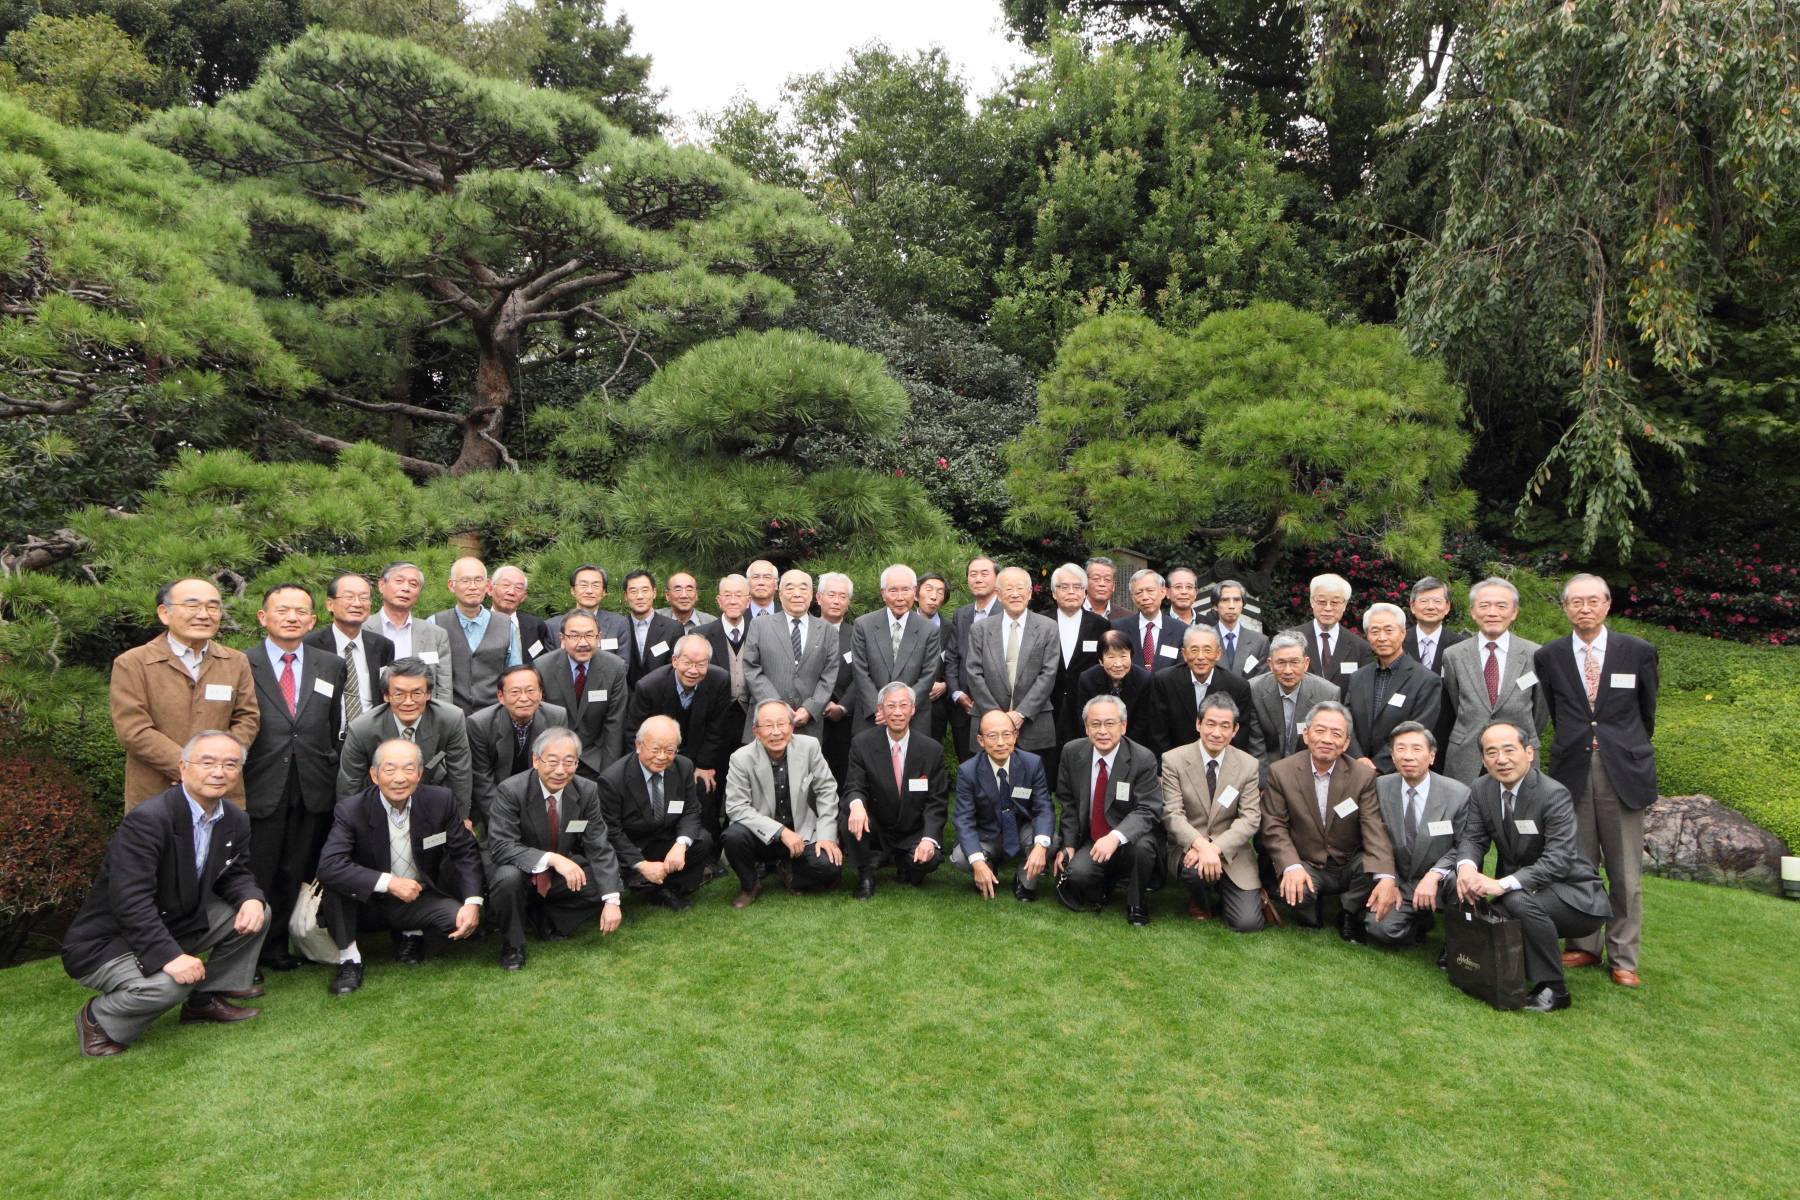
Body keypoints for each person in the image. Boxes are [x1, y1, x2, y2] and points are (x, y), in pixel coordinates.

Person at [64, 731, 268, 1056]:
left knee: (257, 912)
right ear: (183, 767)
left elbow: (235, 874)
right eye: (208, 763)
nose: (219, 772)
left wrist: (251, 898)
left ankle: (204, 1000)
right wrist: (169, 957)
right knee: (171, 985)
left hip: (176, 921)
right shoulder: (148, 820)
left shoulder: (235, 818)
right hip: (109, 941)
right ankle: (98, 1018)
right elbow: (130, 901)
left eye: (230, 764)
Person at [1532, 573, 1659, 988]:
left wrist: (1619, 745)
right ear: (1565, 607)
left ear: (1607, 605)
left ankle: (1624, 957)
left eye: (1593, 601)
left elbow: (1646, 713)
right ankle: (1584, 944)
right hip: (1572, 769)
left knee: (1625, 873)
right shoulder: (1550, 655)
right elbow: (1556, 710)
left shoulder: (1637, 651)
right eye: (1576, 602)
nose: (1584, 608)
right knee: (1578, 864)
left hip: (1622, 769)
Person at [1454, 721, 1611, 1011]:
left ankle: (1555, 989)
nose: (1501, 759)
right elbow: (1472, 838)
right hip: (1526, 890)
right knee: (1479, 896)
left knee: (1515, 900)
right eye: (1492, 752)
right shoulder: (1481, 788)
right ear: (1483, 759)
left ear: (1529, 752)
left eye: (1509, 750)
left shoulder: (1553, 794)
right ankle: (1476, 965)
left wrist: (1501, 884)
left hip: (1575, 896)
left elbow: (1558, 860)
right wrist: (1466, 868)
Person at [315, 738, 486, 995]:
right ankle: (350, 960)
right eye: (390, 769)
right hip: (367, 903)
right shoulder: (352, 810)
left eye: (408, 769)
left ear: (420, 773)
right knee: (338, 883)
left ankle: (411, 933)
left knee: (457, 921)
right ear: (374, 775)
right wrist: (389, 883)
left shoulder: (440, 800)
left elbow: (465, 852)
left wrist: (473, 902)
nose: (399, 778)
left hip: (418, 898)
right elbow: (328, 866)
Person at [243, 584, 345, 972]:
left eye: (301, 611)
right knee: (258, 872)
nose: (292, 617)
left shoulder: (330, 664)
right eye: (282, 610)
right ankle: (245, 955)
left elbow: (331, 725)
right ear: (263, 617)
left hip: (312, 782)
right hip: (261, 781)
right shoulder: (242, 663)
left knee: (295, 871)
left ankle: (276, 948)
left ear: (313, 620)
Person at [110, 577, 260, 811]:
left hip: (221, 790)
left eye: (212, 607)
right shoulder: (133, 663)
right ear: (164, 613)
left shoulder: (235, 661)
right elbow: (132, 729)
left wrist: (218, 765)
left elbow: (247, 718)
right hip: (156, 792)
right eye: (192, 606)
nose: (204, 614)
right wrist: (188, 768)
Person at [1259, 700, 1398, 941]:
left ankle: (1348, 911)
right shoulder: (1281, 772)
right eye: (1320, 730)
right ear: (1306, 735)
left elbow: (1373, 826)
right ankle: (1311, 902)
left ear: (1346, 743)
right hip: (1306, 861)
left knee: (1372, 868)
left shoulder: (1362, 776)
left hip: (1348, 861)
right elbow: (1274, 826)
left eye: (1336, 734)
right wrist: (1291, 866)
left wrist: (1387, 876)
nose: (1327, 739)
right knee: (1298, 892)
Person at [487, 728, 623, 966]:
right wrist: (553, 859)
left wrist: (612, 901)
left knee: (604, 881)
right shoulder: (511, 790)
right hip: (518, 867)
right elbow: (501, 845)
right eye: (552, 762)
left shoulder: (587, 790)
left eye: (569, 762)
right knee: (507, 879)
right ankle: (513, 945)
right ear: (535, 760)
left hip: (555, 874)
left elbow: (598, 845)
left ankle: (545, 916)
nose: (560, 770)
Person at [1054, 695, 1164, 924]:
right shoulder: (1072, 752)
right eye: (1095, 724)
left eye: (1110, 723)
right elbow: (1068, 803)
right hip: (1092, 838)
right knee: (1077, 875)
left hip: (1132, 838)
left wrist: (1115, 837)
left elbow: (1148, 809)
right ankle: (1107, 883)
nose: (1102, 731)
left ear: (1123, 726)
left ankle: (1136, 903)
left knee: (1143, 848)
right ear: (1086, 727)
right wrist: (1069, 844)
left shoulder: (1142, 758)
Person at [720, 701, 844, 907]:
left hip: (801, 833)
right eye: (768, 725)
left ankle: (790, 872)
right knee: (733, 836)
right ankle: (750, 885)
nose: (776, 732)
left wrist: (826, 836)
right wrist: (781, 832)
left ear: (792, 727)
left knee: (830, 866)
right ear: (756, 732)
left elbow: (827, 791)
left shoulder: (809, 746)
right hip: (761, 835)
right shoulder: (740, 758)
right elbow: (736, 808)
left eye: (781, 724)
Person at [1160, 694, 1266, 931]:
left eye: (1225, 726)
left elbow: (1250, 818)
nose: (1217, 733)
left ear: (1235, 730)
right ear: (1198, 724)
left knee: (1247, 923)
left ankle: (1226, 892)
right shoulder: (1173, 760)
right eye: (1210, 724)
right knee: (1194, 873)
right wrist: (1200, 845)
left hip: (1231, 850)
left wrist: (1214, 849)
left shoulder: (1248, 765)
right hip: (1190, 849)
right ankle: (1202, 899)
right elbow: (1172, 814)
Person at [1364, 722, 1470, 951]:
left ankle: (1456, 945)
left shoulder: (1458, 794)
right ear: (1392, 755)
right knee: (1379, 929)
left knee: (1460, 878)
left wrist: (1435, 874)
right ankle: (1419, 921)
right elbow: (1374, 837)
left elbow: (1466, 844)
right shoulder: (1379, 787)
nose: (1408, 756)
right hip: (1401, 881)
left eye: (1417, 749)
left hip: (1441, 880)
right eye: (1400, 749)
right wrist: (1389, 879)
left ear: (1432, 756)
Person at [626, 635, 734, 855]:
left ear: (708, 664)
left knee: (704, 787)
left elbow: (717, 728)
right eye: (687, 663)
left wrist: (703, 765)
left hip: (698, 755)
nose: (693, 670)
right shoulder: (649, 687)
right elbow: (634, 734)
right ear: (674, 661)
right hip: (658, 755)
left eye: (701, 664)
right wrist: (656, 762)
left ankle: (708, 853)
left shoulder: (720, 680)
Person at [841, 683, 949, 898]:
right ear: (880, 710)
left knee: (930, 860)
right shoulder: (862, 744)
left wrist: (929, 838)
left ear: (913, 709)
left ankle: (905, 862)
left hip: (913, 828)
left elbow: (937, 802)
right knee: (849, 814)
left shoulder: (931, 750)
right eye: (891, 706)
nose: (897, 712)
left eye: (903, 705)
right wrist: (857, 805)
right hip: (877, 826)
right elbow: (854, 785)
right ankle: (865, 874)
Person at [336, 657, 473, 822]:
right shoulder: (362, 729)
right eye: (399, 694)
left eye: (417, 693)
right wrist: (352, 825)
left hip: (430, 795)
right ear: (386, 696)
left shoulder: (450, 719)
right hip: (380, 801)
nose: (408, 702)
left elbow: (460, 774)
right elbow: (350, 784)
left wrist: (460, 818)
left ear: (428, 694)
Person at [1440, 577, 1550, 784]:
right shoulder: (1453, 655)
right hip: (1467, 754)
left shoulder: (1535, 654)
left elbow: (1541, 711)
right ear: (1473, 612)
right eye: (1484, 606)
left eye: (1501, 606)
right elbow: (1455, 702)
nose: (1492, 613)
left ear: (1514, 612)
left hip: (1518, 753)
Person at [597, 716, 711, 910]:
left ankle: (666, 888)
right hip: (632, 844)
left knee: (702, 840)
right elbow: (611, 830)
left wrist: (681, 844)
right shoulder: (612, 779)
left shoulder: (683, 766)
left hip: (663, 836)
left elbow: (691, 810)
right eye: (655, 749)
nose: (662, 757)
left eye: (670, 750)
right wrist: (641, 864)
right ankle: (639, 878)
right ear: (639, 745)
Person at [950, 709, 1055, 901]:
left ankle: (1024, 880)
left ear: (1015, 736)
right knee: (961, 858)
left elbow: (1044, 807)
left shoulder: (1032, 763)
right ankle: (988, 873)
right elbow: (963, 819)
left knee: (1050, 840)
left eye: (1006, 734)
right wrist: (978, 863)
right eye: (992, 736)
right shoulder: (968, 771)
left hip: (1021, 830)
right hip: (987, 834)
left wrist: (1040, 846)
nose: (1000, 742)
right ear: (981, 740)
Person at [964, 566, 1061, 758]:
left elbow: (1048, 674)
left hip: (1033, 723)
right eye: (1008, 588)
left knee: (1033, 776)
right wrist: (997, 718)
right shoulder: (980, 629)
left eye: (1020, 588)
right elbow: (974, 673)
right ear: (998, 594)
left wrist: (1021, 713)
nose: (1015, 594)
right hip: (988, 724)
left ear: (1030, 592)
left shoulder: (1048, 627)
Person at [1343, 603, 1443, 774]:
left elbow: (1417, 730)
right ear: (1367, 636)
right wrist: (1358, 759)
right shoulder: (1358, 677)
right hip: (1356, 770)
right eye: (1375, 631)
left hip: (1400, 772)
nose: (1382, 638)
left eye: (1389, 630)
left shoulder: (1426, 680)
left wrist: (1378, 766)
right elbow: (1346, 722)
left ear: (1403, 633)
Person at [741, 569, 839, 742]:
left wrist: (810, 709)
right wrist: (777, 707)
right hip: (766, 722)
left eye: (803, 588)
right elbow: (751, 668)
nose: (797, 594)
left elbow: (829, 676)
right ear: (780, 593)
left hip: (808, 725)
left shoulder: (827, 631)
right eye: (790, 588)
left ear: (812, 594)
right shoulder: (760, 625)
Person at [466, 665, 568, 828]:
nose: (524, 698)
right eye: (515, 692)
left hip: (539, 795)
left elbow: (555, 769)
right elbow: (482, 779)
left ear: (540, 693)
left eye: (531, 691)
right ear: (501, 696)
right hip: (497, 795)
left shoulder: (556, 717)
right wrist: (500, 821)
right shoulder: (480, 724)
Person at [531, 611, 627, 779]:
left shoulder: (614, 667)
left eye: (589, 635)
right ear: (562, 639)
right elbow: (540, 721)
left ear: (599, 638)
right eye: (574, 636)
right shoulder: (543, 667)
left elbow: (614, 724)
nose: (583, 643)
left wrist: (608, 774)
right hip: (555, 758)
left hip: (595, 759)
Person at [851, 563, 941, 736]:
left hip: (914, 718)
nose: (900, 597)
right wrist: (880, 709)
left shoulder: (929, 630)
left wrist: (904, 708)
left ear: (915, 592)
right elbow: (860, 671)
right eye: (893, 591)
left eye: (906, 590)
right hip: (872, 716)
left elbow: (928, 675)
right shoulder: (864, 625)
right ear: (883, 593)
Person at [1047, 563, 1112, 792]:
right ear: (1054, 593)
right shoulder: (1041, 621)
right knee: (1048, 757)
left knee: (1082, 754)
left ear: (1085, 592)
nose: (1071, 592)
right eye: (1064, 587)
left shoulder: (1100, 624)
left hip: (1084, 700)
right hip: (1048, 700)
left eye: (1077, 587)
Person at [304, 571, 393, 729]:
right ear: (330, 604)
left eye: (364, 598)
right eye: (349, 597)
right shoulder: (310, 645)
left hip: (371, 735)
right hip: (327, 736)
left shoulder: (382, 646)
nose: (357, 604)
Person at [1148, 624, 1252, 757]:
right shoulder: (1164, 681)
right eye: (1194, 650)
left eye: (1207, 650)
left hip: (1221, 759)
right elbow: (1158, 733)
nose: (1201, 657)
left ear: (1218, 653)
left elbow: (1239, 737)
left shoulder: (1238, 686)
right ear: (1184, 654)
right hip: (1176, 760)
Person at [1245, 633, 1340, 772]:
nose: (1288, 671)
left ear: (1306, 663)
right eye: (1281, 663)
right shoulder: (1254, 690)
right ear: (1270, 664)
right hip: (1268, 769)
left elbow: (1325, 745)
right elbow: (1256, 745)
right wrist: (1267, 781)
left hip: (1309, 770)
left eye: (1295, 662)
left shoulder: (1327, 694)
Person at [431, 557, 511, 715]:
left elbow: (513, 673)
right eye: (465, 580)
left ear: (487, 585)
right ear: (451, 585)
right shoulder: (435, 623)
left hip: (495, 714)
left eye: (478, 580)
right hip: (452, 715)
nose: (472, 587)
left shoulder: (505, 623)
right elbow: (431, 675)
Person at [944, 556, 1000, 761]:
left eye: (984, 574)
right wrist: (956, 693)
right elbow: (951, 658)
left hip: (998, 706)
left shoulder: (1007, 612)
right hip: (964, 709)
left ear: (997, 578)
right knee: (968, 767)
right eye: (972, 574)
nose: (978, 579)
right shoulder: (961, 614)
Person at [375, 561, 452, 697]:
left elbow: (444, 689)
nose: (406, 588)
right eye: (399, 581)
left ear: (419, 593)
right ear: (382, 585)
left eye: (413, 584)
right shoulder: (362, 629)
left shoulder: (436, 634)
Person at [1287, 573, 1371, 692]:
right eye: (1322, 601)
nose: (1328, 608)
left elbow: (1362, 692)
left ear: (1345, 605)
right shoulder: (1290, 639)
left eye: (1335, 602)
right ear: (1312, 601)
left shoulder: (1360, 647)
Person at [816, 571, 857, 783]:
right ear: (818, 597)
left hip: (845, 721)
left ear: (848, 602)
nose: (836, 601)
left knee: (843, 778)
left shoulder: (858, 634)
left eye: (842, 596)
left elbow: (863, 674)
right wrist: (816, 704)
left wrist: (842, 707)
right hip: (809, 717)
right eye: (831, 595)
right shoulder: (804, 631)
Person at [702, 573, 756, 728]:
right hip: (714, 717)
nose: (733, 601)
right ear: (719, 601)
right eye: (727, 595)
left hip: (751, 716)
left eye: (739, 595)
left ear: (748, 601)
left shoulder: (759, 633)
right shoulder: (702, 635)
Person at [545, 564, 630, 658]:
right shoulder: (552, 627)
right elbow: (550, 664)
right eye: (583, 585)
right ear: (573, 590)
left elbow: (623, 664)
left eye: (596, 585)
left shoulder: (619, 624)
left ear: (604, 592)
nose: (589, 591)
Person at [1113, 569, 1187, 674]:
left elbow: (1182, 670)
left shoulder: (1180, 630)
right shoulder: (1118, 628)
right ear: (1133, 598)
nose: (1145, 597)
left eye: (1150, 590)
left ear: (1163, 592)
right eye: (1139, 592)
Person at [622, 569, 684, 690]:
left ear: (654, 593)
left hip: (661, 695)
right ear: (625, 596)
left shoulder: (673, 628)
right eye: (633, 591)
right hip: (626, 697)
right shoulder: (620, 627)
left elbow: (674, 669)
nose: (640, 596)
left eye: (645, 590)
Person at [1075, 630, 1152, 719]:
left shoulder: (1143, 679)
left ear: (1131, 656)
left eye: (1123, 656)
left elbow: (1142, 720)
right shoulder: (1087, 679)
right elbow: (1085, 719)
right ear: (1100, 660)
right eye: (1111, 657)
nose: (1118, 664)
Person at [915, 572, 952, 742]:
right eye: (928, 589)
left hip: (936, 709)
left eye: (940, 592)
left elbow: (959, 662)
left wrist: (946, 684)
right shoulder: (903, 625)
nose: (934, 596)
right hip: (904, 706)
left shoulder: (952, 628)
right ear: (916, 595)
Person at [488, 564, 552, 666]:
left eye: (518, 588)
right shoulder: (478, 621)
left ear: (523, 596)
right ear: (490, 589)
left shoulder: (536, 626)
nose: (511, 592)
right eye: (505, 585)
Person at [1404, 576, 1466, 675]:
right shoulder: (1398, 642)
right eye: (1423, 601)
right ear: (1412, 607)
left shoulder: (1462, 645)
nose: (1430, 607)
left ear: (1447, 607)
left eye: (1437, 601)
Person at [1210, 580, 1270, 677]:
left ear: (1243, 604)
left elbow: (1261, 680)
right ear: (1215, 606)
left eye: (1237, 600)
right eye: (1225, 600)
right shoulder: (1204, 639)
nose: (1231, 606)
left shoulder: (1259, 642)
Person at [1083, 556, 1132, 622]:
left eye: (1107, 579)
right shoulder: (1073, 610)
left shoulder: (1126, 616)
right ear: (1085, 582)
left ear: (1114, 586)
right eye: (1096, 578)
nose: (1102, 584)